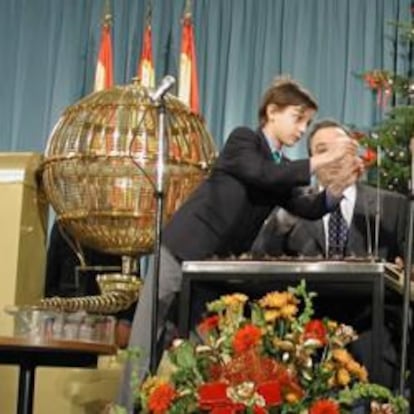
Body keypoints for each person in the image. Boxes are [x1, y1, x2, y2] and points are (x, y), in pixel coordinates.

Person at [118, 77, 363, 408]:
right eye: (298, 117)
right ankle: (125, 407)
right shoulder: (243, 141)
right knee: (147, 338)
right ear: (271, 112)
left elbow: (308, 206)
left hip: (211, 270)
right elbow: (261, 174)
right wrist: (322, 160)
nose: (302, 129)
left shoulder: (280, 167)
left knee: (210, 349)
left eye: (306, 122)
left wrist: (339, 186)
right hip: (181, 251)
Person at [251, 118, 408, 388]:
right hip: (308, 353)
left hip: (374, 352)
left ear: (354, 154)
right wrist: (282, 221)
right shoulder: (293, 209)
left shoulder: (393, 207)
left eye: (340, 148)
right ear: (312, 162)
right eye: (323, 150)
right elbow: (259, 261)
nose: (333, 157)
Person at [44, 220, 136, 348]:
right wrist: (50, 317)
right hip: (68, 317)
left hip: (108, 317)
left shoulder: (117, 223)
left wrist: (126, 321)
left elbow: (131, 277)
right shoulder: (63, 225)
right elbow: (51, 276)